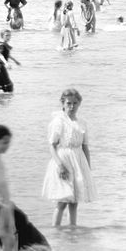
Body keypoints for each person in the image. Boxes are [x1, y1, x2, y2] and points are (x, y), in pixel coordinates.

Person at [41, 88, 94, 227]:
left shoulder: (82, 122)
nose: (72, 106)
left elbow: (85, 146)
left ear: (79, 104)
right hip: (63, 161)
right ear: (63, 103)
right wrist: (60, 165)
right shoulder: (58, 121)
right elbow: (52, 146)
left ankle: (72, 230)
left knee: (74, 201)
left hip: (78, 161)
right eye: (69, 103)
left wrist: (87, 169)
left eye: (75, 103)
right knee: (62, 201)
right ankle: (55, 231)